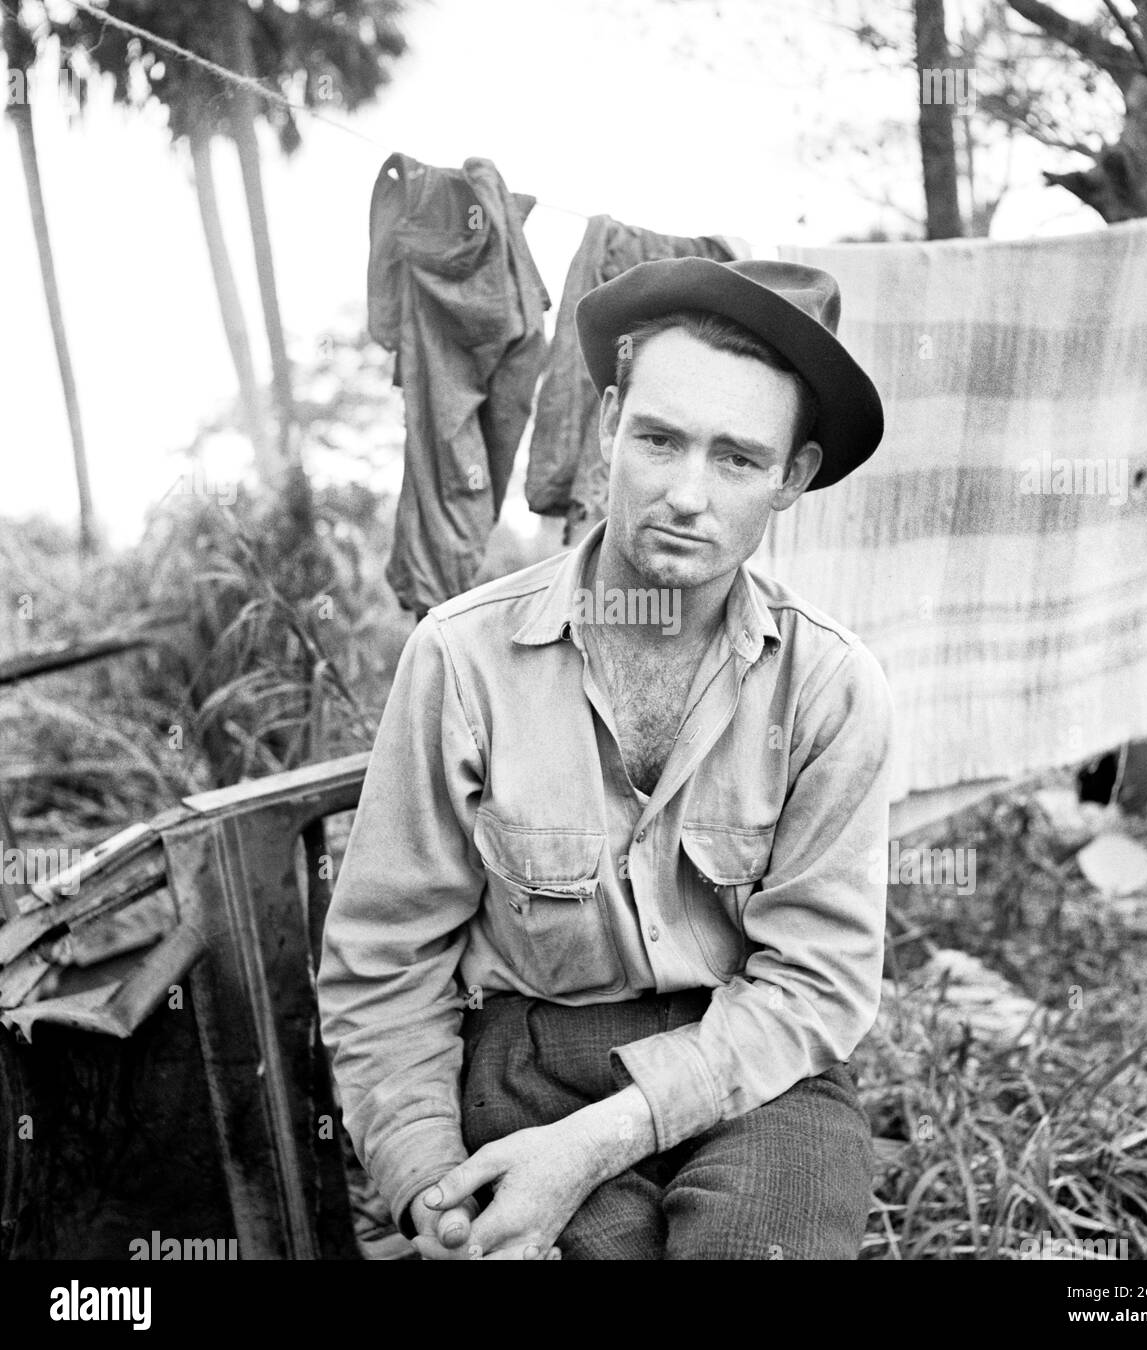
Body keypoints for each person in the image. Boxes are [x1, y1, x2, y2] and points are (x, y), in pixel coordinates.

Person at [317, 257, 894, 1261]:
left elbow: (814, 982)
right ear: (610, 422)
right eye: (659, 440)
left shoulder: (829, 687)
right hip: (528, 1061)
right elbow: (383, 965)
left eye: (735, 459)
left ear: (790, 477)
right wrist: (432, 1192)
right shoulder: (461, 658)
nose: (684, 494)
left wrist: (599, 1140)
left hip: (757, 1068)